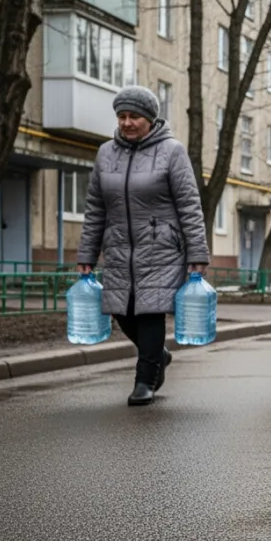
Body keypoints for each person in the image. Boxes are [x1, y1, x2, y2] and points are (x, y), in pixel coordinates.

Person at [77, 86, 210, 406]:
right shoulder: (105, 152)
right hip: (120, 246)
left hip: (162, 246)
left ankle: (145, 379)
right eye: (121, 116)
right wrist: (87, 254)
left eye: (134, 116)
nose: (126, 123)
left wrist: (198, 252)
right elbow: (95, 207)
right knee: (121, 310)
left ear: (150, 119)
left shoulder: (171, 151)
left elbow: (189, 205)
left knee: (149, 310)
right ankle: (157, 355)